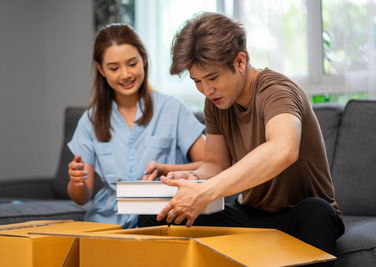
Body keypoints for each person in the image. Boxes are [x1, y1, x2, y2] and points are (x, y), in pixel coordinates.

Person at [138, 12, 345, 262]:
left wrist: (206, 193)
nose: (206, 90)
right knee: (156, 214)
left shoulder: (277, 91)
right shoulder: (214, 103)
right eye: (197, 81)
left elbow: (284, 149)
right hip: (251, 216)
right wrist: (194, 178)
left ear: (239, 62)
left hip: (297, 217)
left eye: (212, 78)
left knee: (317, 212)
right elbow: (216, 163)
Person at [66, 24, 205, 229]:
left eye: (132, 64)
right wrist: (76, 181)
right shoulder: (90, 120)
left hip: (161, 221)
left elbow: (210, 165)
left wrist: (166, 170)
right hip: (107, 225)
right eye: (114, 68)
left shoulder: (172, 109)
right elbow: (81, 197)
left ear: (144, 59)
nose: (125, 75)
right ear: (101, 69)